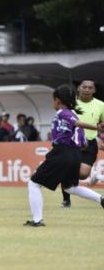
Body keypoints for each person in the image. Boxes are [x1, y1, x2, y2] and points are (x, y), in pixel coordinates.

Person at [24, 85, 104, 227]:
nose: (53, 103)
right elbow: (83, 142)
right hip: (75, 154)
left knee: (34, 183)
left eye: (53, 100)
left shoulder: (63, 113)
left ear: (58, 100)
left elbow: (78, 123)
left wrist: (96, 127)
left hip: (62, 152)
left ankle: (37, 220)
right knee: (69, 187)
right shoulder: (74, 113)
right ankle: (101, 199)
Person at [62, 80, 104, 206]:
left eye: (90, 87)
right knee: (68, 169)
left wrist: (102, 138)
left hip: (90, 143)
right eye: (84, 87)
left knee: (83, 174)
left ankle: (66, 175)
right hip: (71, 143)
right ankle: (66, 199)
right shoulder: (70, 103)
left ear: (94, 90)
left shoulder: (101, 105)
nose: (87, 89)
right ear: (79, 88)